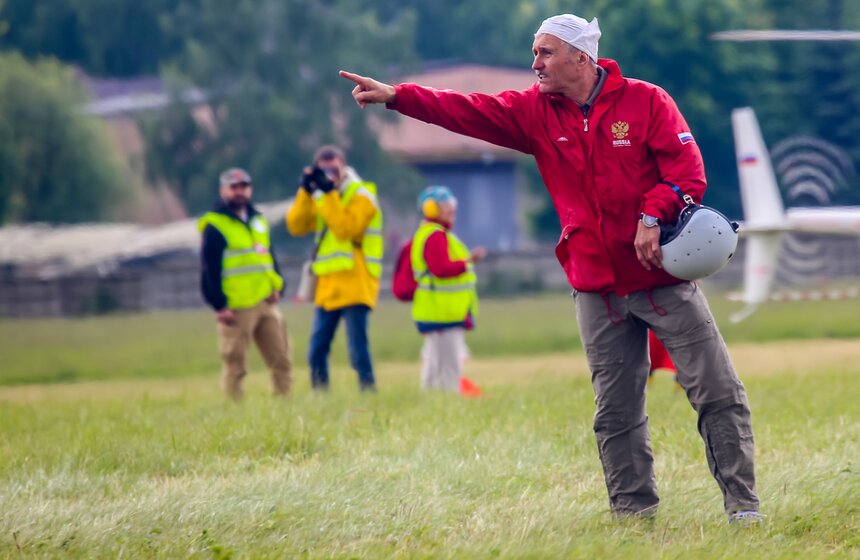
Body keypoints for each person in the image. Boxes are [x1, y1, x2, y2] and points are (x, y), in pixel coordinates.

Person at [339, 13, 761, 523]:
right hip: (596, 289)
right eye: (534, 52)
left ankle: (743, 507)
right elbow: (466, 110)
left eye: (545, 52)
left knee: (717, 392)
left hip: (661, 280)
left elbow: (687, 174)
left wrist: (652, 215)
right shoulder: (532, 111)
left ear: (581, 58)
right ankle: (632, 517)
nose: (534, 63)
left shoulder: (647, 101)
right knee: (616, 413)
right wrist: (397, 96)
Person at [286, 146, 383, 392]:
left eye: (333, 168)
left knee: (357, 348)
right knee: (317, 349)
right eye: (323, 169)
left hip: (355, 280)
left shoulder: (362, 194)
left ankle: (368, 390)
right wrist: (305, 191)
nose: (329, 174)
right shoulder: (320, 195)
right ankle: (320, 393)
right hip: (328, 283)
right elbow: (296, 226)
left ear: (344, 166)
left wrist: (327, 194)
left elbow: (344, 230)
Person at [199, 167, 292, 400]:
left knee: (281, 360)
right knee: (235, 365)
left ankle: (285, 406)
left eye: (244, 187)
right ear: (223, 191)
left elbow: (268, 257)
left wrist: (278, 287)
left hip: (265, 301)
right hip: (237, 305)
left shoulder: (258, 220)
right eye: (234, 187)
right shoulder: (216, 225)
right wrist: (219, 305)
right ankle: (234, 409)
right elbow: (210, 269)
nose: (239, 191)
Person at [410, 186, 486, 392]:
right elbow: (441, 269)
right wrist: (468, 261)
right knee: (449, 364)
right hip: (443, 311)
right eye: (445, 205)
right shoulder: (435, 235)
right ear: (431, 208)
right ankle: (449, 398)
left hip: (438, 310)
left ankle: (430, 397)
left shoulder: (431, 233)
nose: (451, 210)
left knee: (435, 362)